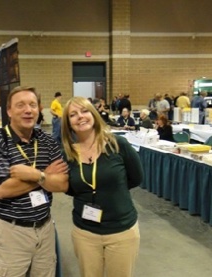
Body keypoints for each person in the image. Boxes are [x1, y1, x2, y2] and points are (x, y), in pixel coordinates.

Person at [0, 86, 69, 277]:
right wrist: (46, 176)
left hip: (45, 229)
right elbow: (1, 190)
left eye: (32, 105)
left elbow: (62, 183)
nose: (28, 110)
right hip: (11, 231)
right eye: (20, 105)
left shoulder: (47, 141)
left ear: (39, 109)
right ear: (9, 111)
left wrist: (34, 175)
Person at [61, 96, 143, 277]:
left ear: (94, 114)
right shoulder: (67, 153)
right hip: (85, 233)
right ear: (68, 123)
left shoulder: (117, 144)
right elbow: (69, 187)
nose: (80, 117)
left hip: (121, 231)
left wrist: (111, 189)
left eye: (84, 111)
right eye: (73, 115)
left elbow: (136, 178)